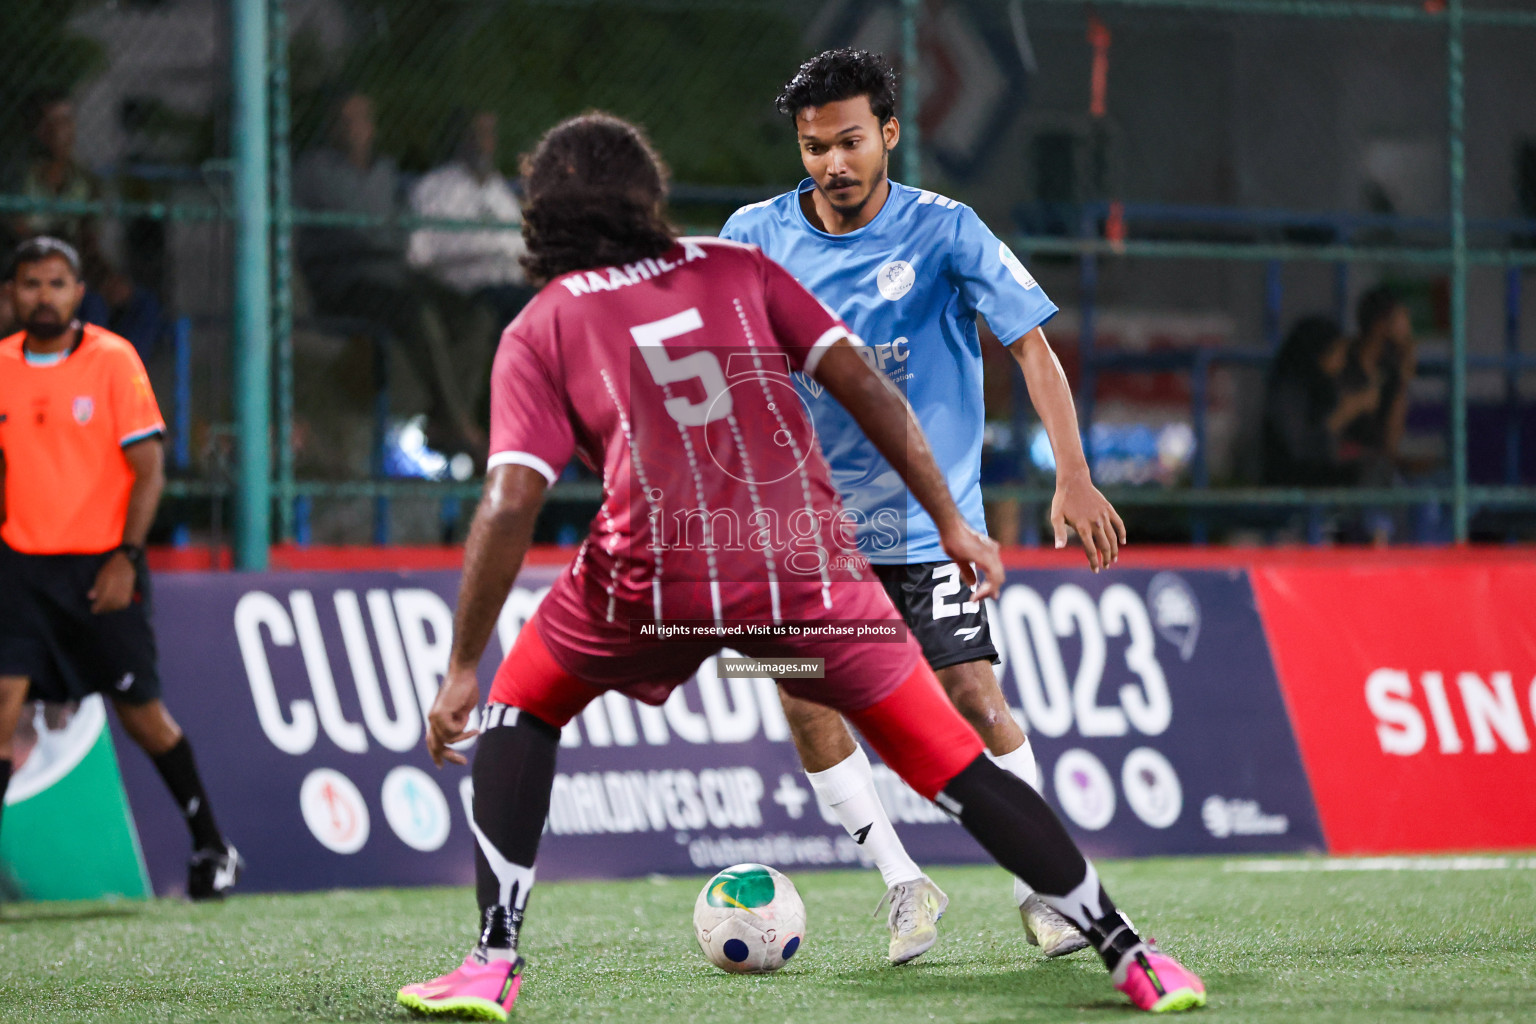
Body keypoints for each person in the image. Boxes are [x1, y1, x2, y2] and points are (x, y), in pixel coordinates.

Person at [396, 113, 1203, 1020]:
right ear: (649, 195)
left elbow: (510, 503)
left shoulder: (539, 327)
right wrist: (955, 522)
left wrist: (464, 663)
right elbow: (864, 381)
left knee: (521, 706)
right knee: (953, 760)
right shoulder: (735, 264)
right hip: (802, 563)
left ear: (537, 217)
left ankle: (492, 957)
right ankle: (1131, 956)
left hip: (650, 574)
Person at [719, 48, 1123, 962]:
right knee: (803, 698)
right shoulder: (755, 233)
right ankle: (903, 883)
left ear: (889, 135)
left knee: (974, 698)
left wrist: (1072, 471)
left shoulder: (946, 231)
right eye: (814, 146)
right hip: (811, 535)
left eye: (850, 142)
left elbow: (1030, 346)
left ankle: (1045, 890)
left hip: (927, 528)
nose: (832, 164)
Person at [0, 237, 241, 899]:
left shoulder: (112, 360)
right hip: (19, 569)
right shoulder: (1, 366)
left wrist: (126, 558)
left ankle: (212, 849)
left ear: (79, 294)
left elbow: (149, 469)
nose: (42, 296)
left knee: (143, 716)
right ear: (11, 295)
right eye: (30, 284)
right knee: (2, 703)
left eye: (56, 283)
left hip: (100, 569)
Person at [294, 90, 495, 457]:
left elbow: (402, 230)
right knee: (417, 313)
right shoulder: (315, 171)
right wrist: (381, 236)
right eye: (345, 120)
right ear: (332, 127)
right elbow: (351, 232)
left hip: (393, 272)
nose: (354, 128)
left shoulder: (385, 171)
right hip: (345, 279)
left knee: (476, 315)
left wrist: (382, 237)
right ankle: (460, 424)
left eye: (361, 119)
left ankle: (446, 419)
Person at [4, 93, 164, 360]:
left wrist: (107, 275)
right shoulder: (18, 179)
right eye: (51, 122)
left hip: (73, 270)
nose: (60, 131)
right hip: (30, 272)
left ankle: (123, 378)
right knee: (91, 304)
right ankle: (82, 381)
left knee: (143, 305)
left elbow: (87, 241)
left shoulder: (84, 181)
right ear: (35, 130)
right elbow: (20, 239)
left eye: (67, 121)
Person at [408, 110, 538, 332]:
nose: (483, 143)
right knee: (528, 308)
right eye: (476, 134)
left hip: (511, 284)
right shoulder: (435, 187)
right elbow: (420, 254)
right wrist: (490, 248)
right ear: (460, 139)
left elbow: (522, 245)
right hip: (465, 289)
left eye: (489, 134)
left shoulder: (498, 190)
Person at [1261, 315, 1377, 487]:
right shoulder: (1289, 392)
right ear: (1319, 354)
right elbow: (1299, 451)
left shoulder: (1328, 388)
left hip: (1328, 488)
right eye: (1338, 353)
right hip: (1292, 490)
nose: (1342, 362)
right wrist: (1341, 416)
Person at [1341, 286, 1418, 479]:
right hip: (1342, 470)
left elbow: (1391, 444)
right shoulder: (1342, 362)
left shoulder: (1390, 369)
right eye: (1403, 316)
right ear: (1381, 324)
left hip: (1375, 468)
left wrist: (1403, 379)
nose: (1408, 325)